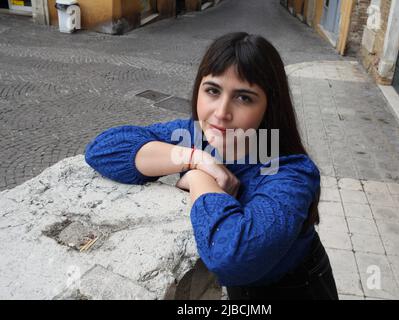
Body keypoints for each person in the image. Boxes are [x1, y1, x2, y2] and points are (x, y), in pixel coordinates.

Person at [84, 32, 339, 300]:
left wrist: (197, 178)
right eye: (212, 91)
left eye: (244, 98)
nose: (221, 112)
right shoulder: (195, 136)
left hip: (296, 290)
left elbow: (231, 255)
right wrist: (196, 159)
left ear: (269, 106)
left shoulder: (288, 171)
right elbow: (104, 149)